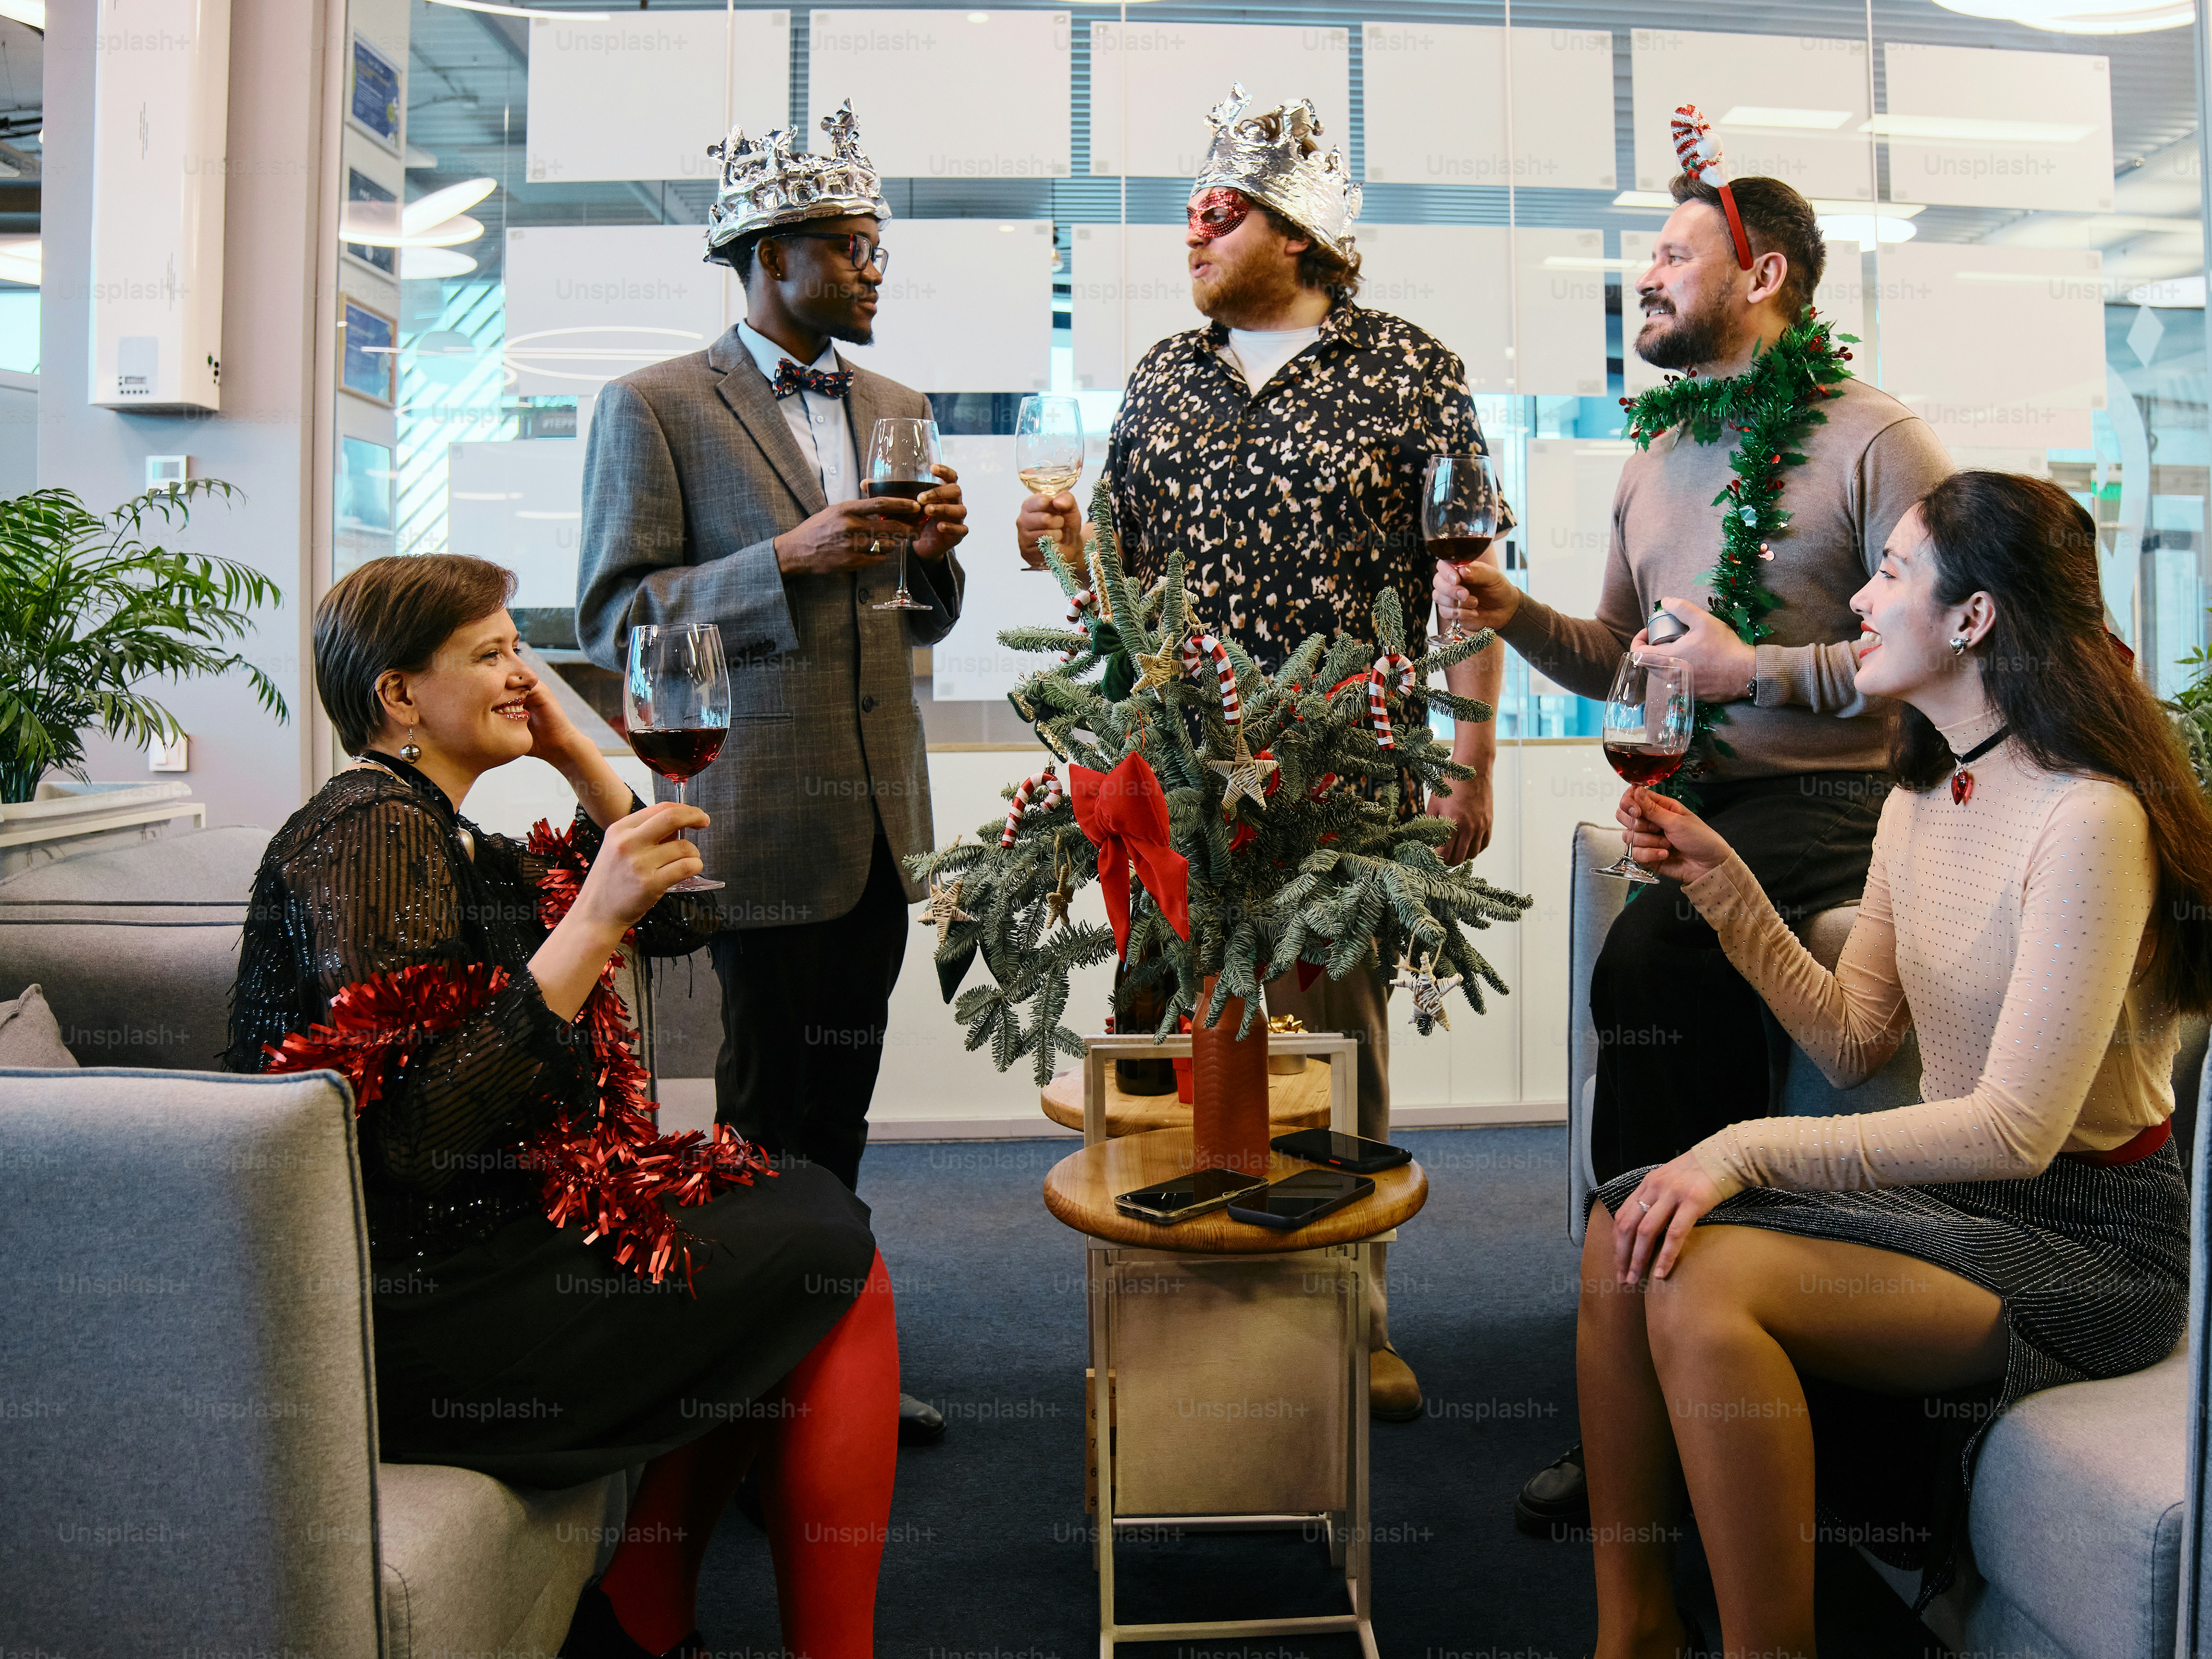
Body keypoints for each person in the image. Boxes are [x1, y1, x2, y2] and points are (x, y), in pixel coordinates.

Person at [1576, 470, 2212, 1657]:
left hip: (2092, 1241)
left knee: (1700, 1277)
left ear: (1974, 619)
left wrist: (1737, 1150)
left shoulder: (2088, 817)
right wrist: (1723, 883)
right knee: (1626, 1224)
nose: (1857, 597)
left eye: (1891, 572)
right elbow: (1852, 1043)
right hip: (1952, 1205)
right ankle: (1632, 1632)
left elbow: (2015, 1133)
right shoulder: (1921, 793)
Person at [227, 555, 900, 1659]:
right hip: (415, 1310)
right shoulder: (368, 833)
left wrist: (581, 756)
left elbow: (679, 922)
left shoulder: (438, 829)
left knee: (809, 1226)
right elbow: (420, 1131)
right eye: (491, 654)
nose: (521, 676)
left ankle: (646, 1611)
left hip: (474, 1259)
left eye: (518, 650)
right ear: (398, 696)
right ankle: (719, 1624)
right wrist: (587, 927)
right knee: (830, 1256)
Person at [1434, 162, 1953, 1528]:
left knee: (1649, 979)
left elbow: (1952, 646)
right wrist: (1505, 610)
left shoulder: (1877, 439)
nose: (1644, 281)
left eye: (1669, 255)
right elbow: (1618, 659)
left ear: (1762, 274)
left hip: (1840, 806)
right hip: (1705, 799)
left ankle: (1686, 1388)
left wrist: (1757, 673)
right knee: (1645, 977)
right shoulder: (1655, 453)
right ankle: (1673, 1367)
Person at [1015, 85, 1509, 1422]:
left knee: (1331, 1045)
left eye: (1216, 213)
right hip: (1171, 776)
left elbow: (1469, 580)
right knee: (1165, 1035)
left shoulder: (1413, 369)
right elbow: (1112, 571)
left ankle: (1354, 1321)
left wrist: (1473, 751)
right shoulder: (1164, 378)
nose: (1191, 232)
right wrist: (1057, 544)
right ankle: (1162, 1313)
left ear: (1296, 234)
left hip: (1344, 776)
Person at [575, 107, 967, 1445]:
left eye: (876, 248)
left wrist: (934, 560)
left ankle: (836, 1368)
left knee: (840, 1118)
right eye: (851, 248)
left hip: (878, 830)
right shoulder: (656, 407)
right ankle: (749, 1402)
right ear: (768, 254)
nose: (874, 270)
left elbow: (920, 620)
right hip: (755, 826)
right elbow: (616, 619)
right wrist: (784, 562)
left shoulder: (898, 407)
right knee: (760, 1126)